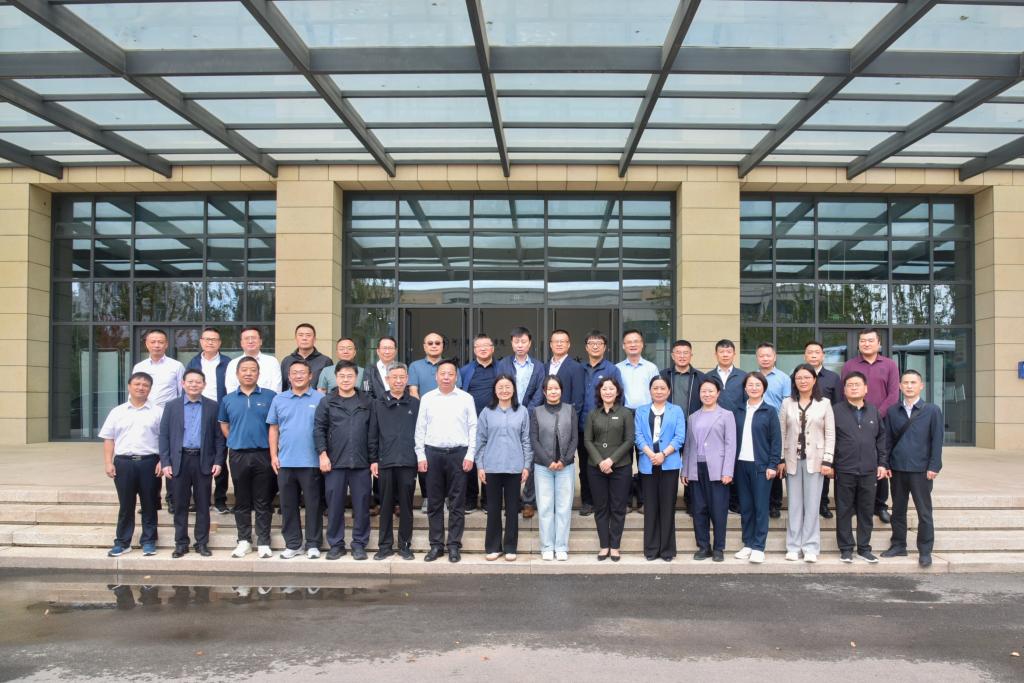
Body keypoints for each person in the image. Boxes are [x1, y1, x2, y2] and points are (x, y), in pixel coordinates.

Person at [823, 371, 889, 564]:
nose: (853, 388)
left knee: (866, 511)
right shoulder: (835, 411)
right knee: (843, 510)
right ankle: (845, 549)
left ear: (866, 389)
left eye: (857, 385)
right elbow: (829, 439)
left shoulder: (873, 411)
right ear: (844, 390)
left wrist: (882, 463)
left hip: (869, 470)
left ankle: (864, 548)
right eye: (849, 385)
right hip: (844, 469)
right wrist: (831, 464)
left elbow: (881, 439)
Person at [415, 359, 478, 563]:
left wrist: (470, 455)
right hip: (432, 454)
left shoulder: (466, 398)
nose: (446, 377)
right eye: (442, 373)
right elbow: (420, 428)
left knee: (457, 503)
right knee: (434, 503)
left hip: (458, 455)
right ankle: (436, 545)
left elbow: (473, 427)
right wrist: (420, 455)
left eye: (450, 374)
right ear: (436, 376)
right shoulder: (427, 398)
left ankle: (453, 545)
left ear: (456, 377)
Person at [159, 369, 226, 558]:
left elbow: (219, 437)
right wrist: (165, 462)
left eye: (198, 382)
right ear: (183, 384)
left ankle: (201, 543)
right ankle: (181, 543)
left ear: (204, 385)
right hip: (179, 461)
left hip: (203, 460)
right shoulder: (172, 406)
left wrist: (219, 461)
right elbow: (164, 435)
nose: (194, 385)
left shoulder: (213, 406)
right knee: (180, 505)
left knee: (203, 504)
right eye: (190, 381)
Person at [883, 369, 943, 568]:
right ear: (900, 386)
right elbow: (887, 440)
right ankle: (898, 545)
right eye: (906, 383)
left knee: (924, 512)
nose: (909, 386)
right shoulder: (893, 411)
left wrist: (934, 466)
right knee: (898, 510)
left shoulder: (932, 410)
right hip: (898, 469)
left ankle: (925, 551)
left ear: (921, 386)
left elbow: (937, 440)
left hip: (922, 470)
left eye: (913, 382)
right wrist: (886, 463)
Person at [314, 359, 373, 561]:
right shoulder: (327, 401)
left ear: (356, 378)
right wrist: (322, 454)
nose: (346, 379)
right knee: (334, 506)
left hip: (361, 462)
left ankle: (359, 544)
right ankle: (336, 544)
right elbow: (319, 429)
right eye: (342, 376)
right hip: (334, 463)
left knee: (362, 506)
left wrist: (373, 459)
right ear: (335, 378)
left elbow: (372, 432)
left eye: (349, 376)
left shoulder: (366, 401)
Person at [218, 356, 276, 559]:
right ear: (237, 374)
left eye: (253, 370)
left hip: (263, 454)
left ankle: (264, 541)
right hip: (238, 455)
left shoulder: (270, 396)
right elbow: (224, 425)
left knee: (263, 500)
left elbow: (275, 426)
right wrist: (236, 439)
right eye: (244, 370)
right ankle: (243, 541)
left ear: (259, 374)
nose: (248, 373)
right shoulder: (228, 399)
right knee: (242, 499)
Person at [99, 372, 163, 557]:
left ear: (150, 389)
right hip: (123, 463)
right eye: (137, 384)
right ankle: (122, 542)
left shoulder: (158, 411)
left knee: (150, 503)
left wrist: (163, 460)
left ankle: (149, 541)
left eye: (145, 385)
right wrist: (108, 462)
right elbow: (109, 438)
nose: (141, 387)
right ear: (129, 386)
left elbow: (165, 439)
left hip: (149, 462)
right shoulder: (117, 412)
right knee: (126, 505)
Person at [841, 328, 900, 524]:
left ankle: (880, 505)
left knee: (880, 461)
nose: (866, 344)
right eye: (863, 341)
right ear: (858, 344)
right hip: (854, 420)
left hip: (881, 421)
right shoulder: (850, 365)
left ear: (879, 344)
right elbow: (844, 392)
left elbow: (893, 394)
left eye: (870, 340)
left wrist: (876, 415)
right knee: (855, 461)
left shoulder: (890, 365)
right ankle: (855, 505)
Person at [778, 364, 835, 564]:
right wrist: (781, 458)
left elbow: (830, 434)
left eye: (807, 377)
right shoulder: (787, 403)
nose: (803, 381)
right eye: (799, 378)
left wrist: (828, 459)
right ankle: (793, 546)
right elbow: (781, 432)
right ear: (794, 381)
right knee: (794, 505)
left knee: (812, 505)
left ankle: (810, 546)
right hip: (792, 460)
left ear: (814, 380)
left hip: (816, 461)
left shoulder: (824, 403)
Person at [267, 361, 324, 559]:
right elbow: (273, 428)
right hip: (286, 462)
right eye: (294, 373)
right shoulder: (279, 399)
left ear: (310, 376)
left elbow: (326, 428)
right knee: (288, 505)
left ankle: (313, 544)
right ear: (289, 377)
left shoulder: (320, 398)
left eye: (302, 372)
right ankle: (293, 544)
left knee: (313, 505)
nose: (298, 376)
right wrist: (273, 456)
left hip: (311, 461)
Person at [476, 374, 532, 561]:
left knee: (512, 509)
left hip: (514, 467)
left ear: (514, 389)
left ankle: (510, 547)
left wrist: (526, 466)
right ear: (495, 390)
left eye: (508, 386)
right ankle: (493, 547)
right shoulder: (486, 412)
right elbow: (480, 441)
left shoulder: (522, 411)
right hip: (491, 467)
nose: (504, 390)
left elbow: (526, 441)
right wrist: (480, 466)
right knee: (493, 509)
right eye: (500, 387)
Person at [367, 362, 420, 561]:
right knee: (386, 505)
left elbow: (421, 433)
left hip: (408, 461)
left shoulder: (415, 404)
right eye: (394, 377)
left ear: (407, 380)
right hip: (385, 461)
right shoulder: (377, 403)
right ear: (387, 380)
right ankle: (385, 546)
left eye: (402, 377)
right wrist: (373, 459)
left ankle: (405, 545)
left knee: (406, 506)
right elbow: (372, 433)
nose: (398, 381)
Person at [682, 376, 735, 563]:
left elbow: (730, 445)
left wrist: (728, 471)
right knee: (699, 510)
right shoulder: (692, 417)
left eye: (711, 391)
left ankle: (719, 548)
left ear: (718, 393)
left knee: (718, 510)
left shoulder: (726, 415)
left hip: (718, 470)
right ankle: (703, 546)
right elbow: (688, 445)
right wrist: (685, 470)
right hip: (696, 469)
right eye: (703, 391)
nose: (707, 394)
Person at [495, 326, 545, 519]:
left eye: (523, 341)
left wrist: (525, 411)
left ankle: (528, 501)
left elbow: (540, 392)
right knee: (510, 455)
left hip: (531, 417)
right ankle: (512, 500)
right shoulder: (503, 364)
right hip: (507, 415)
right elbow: (499, 387)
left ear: (529, 343)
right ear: (512, 343)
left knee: (530, 457)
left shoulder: (538, 366)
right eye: (516, 341)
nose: (520, 345)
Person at [634, 375, 686, 562]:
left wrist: (663, 454)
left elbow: (680, 437)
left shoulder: (676, 410)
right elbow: (638, 436)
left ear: (669, 391)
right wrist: (651, 454)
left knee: (667, 507)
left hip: (669, 464)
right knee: (651, 507)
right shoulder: (641, 411)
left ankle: (667, 550)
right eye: (655, 388)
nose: (659, 391)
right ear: (650, 391)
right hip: (648, 464)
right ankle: (651, 549)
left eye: (663, 388)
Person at [133, 329, 184, 514]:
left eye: (160, 342)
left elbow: (182, 393)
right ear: (147, 344)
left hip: (169, 415)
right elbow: (134, 392)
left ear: (166, 344)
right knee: (150, 456)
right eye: (153, 342)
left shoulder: (176, 366)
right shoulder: (139, 366)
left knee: (170, 456)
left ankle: (172, 499)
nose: (157, 345)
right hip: (145, 414)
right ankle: (152, 499)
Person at [732, 372, 782, 564]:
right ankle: (748, 544)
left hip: (761, 466)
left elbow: (776, 441)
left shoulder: (770, 411)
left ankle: (759, 546)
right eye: (750, 384)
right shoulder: (738, 410)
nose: (753, 388)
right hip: (740, 465)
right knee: (746, 507)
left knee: (761, 507)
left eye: (757, 385)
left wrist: (773, 464)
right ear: (745, 388)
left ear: (763, 388)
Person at [409, 332, 460, 514]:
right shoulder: (415, 366)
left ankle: (445, 498)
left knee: (447, 460)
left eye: (437, 343)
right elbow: (413, 391)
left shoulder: (450, 367)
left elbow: (457, 391)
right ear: (424, 346)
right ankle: (427, 497)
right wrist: (427, 410)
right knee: (426, 458)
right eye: (429, 343)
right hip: (424, 417)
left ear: (442, 346)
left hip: (449, 419)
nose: (433, 346)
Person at [583, 377, 634, 562]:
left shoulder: (626, 413)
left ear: (617, 392)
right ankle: (604, 545)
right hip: (596, 468)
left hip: (620, 467)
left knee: (618, 508)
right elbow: (587, 440)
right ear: (600, 392)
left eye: (611, 388)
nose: (608, 392)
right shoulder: (592, 414)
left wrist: (611, 460)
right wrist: (600, 462)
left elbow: (629, 440)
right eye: (604, 389)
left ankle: (615, 546)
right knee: (601, 507)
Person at [530, 375, 578, 561]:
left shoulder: (570, 410)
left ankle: (561, 546)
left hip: (566, 466)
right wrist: (547, 461)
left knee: (564, 507)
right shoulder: (537, 411)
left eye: (556, 388)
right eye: (549, 389)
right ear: (544, 392)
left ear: (561, 390)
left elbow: (574, 438)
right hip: (543, 467)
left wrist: (564, 460)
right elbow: (534, 439)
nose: (553, 391)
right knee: (545, 507)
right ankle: (547, 546)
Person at [186, 326, 232, 515]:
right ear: (201, 342)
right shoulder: (193, 363)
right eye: (207, 339)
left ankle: (220, 500)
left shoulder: (228, 363)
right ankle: (198, 499)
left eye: (214, 339)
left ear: (219, 343)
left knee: (220, 455)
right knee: (197, 456)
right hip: (198, 411)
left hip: (221, 413)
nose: (210, 342)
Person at [578, 330, 622, 517]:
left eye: (599, 343)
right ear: (586, 347)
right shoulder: (579, 369)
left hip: (605, 426)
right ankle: (587, 501)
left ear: (605, 348)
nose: (595, 346)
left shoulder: (612, 370)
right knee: (585, 466)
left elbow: (619, 397)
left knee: (605, 464)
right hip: (582, 425)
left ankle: (604, 502)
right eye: (591, 343)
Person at [617, 329, 660, 513]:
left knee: (646, 457)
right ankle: (626, 501)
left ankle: (644, 500)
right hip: (624, 414)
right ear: (623, 346)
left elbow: (657, 391)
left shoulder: (651, 368)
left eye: (636, 341)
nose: (633, 344)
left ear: (642, 345)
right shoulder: (617, 368)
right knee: (624, 459)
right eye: (629, 342)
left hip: (646, 415)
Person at [660, 339, 703, 515]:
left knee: (691, 465)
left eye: (686, 353)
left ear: (691, 355)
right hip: (668, 428)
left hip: (693, 427)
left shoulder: (700, 377)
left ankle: (690, 502)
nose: (682, 356)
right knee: (668, 465)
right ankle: (666, 503)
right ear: (672, 355)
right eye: (678, 352)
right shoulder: (663, 375)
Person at [460, 334, 499, 513]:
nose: (483, 349)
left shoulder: (501, 368)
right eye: (479, 346)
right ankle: (470, 498)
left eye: (486, 345)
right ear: (474, 350)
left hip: (494, 422)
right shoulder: (465, 370)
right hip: (470, 422)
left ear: (492, 348)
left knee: (490, 460)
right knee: (470, 459)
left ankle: (487, 499)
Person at [804, 340, 842, 519]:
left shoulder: (833, 378)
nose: (813, 355)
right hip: (801, 430)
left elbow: (838, 404)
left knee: (823, 466)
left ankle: (823, 503)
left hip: (823, 430)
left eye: (817, 352)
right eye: (810, 352)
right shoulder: (798, 375)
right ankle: (806, 504)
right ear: (805, 356)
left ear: (823, 356)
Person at [713, 338, 748, 515]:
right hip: (715, 427)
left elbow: (747, 401)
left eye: (728, 352)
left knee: (735, 461)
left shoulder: (743, 376)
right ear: (716, 354)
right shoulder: (708, 376)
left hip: (738, 425)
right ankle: (719, 499)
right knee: (717, 460)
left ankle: (735, 500)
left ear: (734, 354)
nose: (725, 355)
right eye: (722, 351)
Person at [755, 343, 789, 519]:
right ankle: (761, 501)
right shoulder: (752, 377)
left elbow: (787, 404)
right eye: (761, 356)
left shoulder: (784, 378)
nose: (765, 359)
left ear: (775, 357)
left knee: (774, 462)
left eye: (768, 355)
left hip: (776, 426)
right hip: (756, 427)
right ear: (757, 358)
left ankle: (775, 503)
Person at [225, 327, 282, 393]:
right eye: (246, 338)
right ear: (241, 343)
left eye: (254, 338)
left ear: (260, 341)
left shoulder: (272, 362)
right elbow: (231, 389)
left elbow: (276, 389)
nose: (250, 341)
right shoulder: (233, 364)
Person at [280, 323, 333, 392]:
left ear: (314, 339)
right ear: (295, 338)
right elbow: (283, 387)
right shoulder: (287, 361)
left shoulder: (325, 361)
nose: (304, 338)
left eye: (308, 335)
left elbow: (329, 388)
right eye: (300, 335)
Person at [362, 335, 398, 400]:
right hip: (376, 406)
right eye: (384, 348)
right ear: (378, 351)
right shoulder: (369, 371)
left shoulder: (401, 369)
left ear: (395, 351)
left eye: (390, 348)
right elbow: (366, 393)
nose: (387, 352)